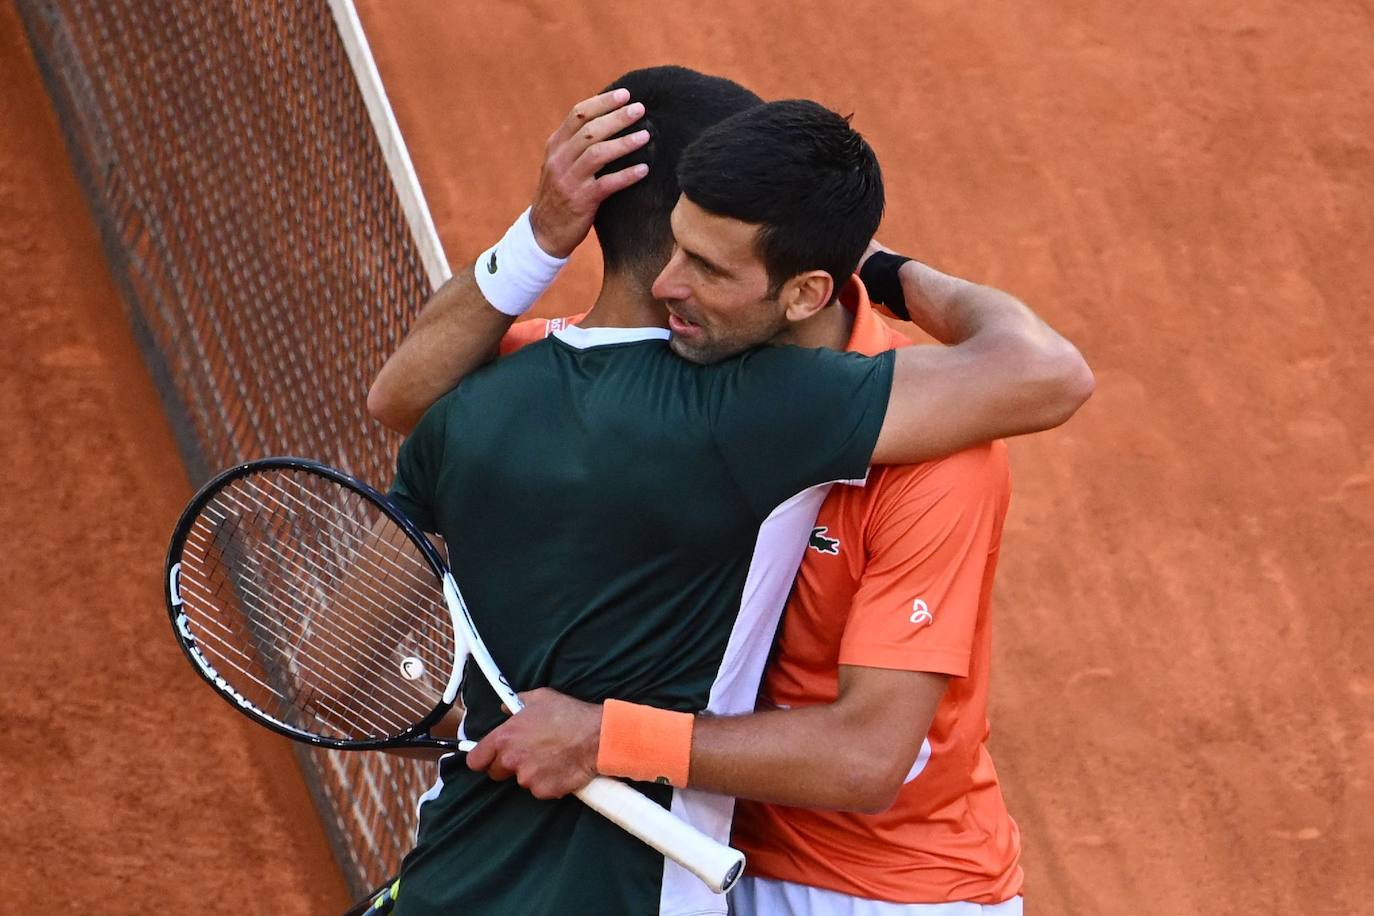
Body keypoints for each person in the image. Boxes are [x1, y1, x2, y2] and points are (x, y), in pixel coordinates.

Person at [370, 69, 1091, 916]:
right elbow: (406, 399)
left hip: (882, 883)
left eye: (708, 266)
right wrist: (540, 234)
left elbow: (865, 758)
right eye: (674, 246)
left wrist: (604, 737)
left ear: (803, 291)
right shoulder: (653, 376)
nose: (668, 285)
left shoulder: (935, 452)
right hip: (693, 841)